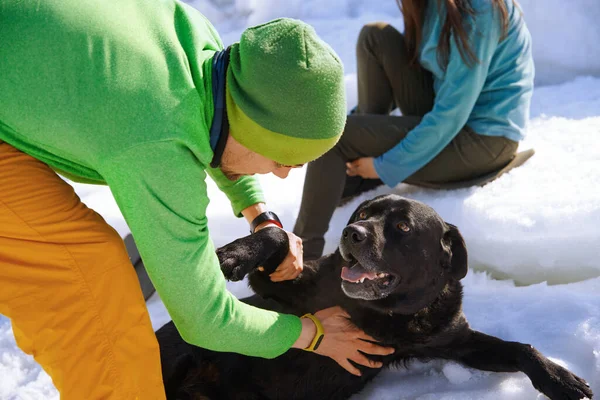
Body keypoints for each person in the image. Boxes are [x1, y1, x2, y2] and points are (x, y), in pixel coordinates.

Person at [0, 1, 394, 398]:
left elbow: (214, 124)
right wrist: (313, 334)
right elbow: (204, 320)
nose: (282, 174)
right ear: (257, 131)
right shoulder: (156, 143)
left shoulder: (201, 46)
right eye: (281, 159)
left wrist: (262, 216)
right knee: (86, 286)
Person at [294, 0, 535, 260]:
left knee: (343, 136)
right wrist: (366, 132)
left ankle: (302, 262)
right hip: (443, 119)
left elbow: (451, 114)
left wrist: (384, 166)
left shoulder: (481, 9)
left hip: (482, 140)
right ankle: (353, 167)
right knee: (375, 36)